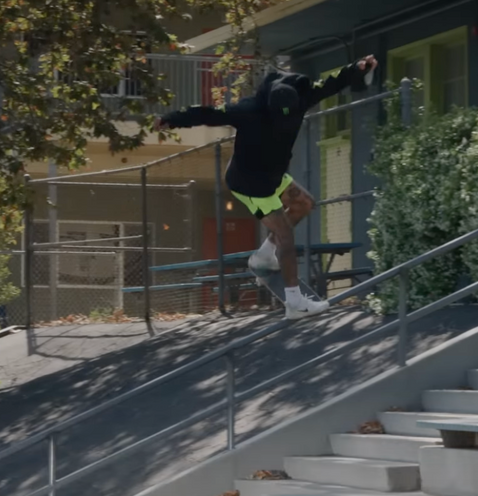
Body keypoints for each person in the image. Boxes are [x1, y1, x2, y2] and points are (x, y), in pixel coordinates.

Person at [156, 55, 378, 319]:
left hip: (273, 175)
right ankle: (294, 303)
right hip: (250, 183)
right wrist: (172, 118)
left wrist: (356, 68)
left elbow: (330, 84)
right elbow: (208, 113)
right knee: (286, 235)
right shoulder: (248, 110)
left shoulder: (301, 99)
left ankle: (263, 256)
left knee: (304, 204)